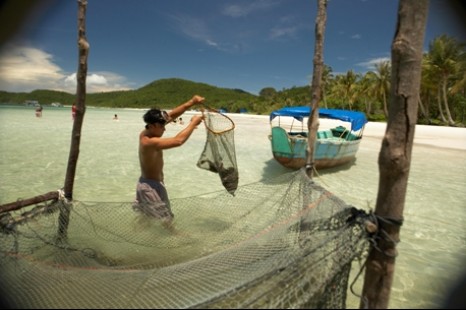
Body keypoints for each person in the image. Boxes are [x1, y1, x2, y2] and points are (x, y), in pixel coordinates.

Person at [132, 95, 205, 230]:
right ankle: (176, 239)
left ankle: (137, 234)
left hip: (147, 184)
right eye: (162, 126)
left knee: (146, 218)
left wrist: (192, 102)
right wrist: (193, 123)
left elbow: (171, 115)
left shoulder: (147, 131)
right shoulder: (148, 142)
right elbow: (178, 141)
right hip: (151, 187)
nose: (164, 129)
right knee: (166, 220)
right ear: (153, 125)